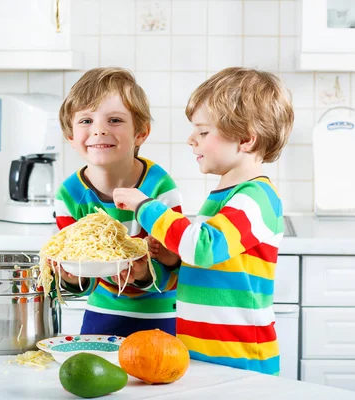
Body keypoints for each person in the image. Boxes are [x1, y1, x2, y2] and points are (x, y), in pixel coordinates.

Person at [112, 67, 294, 375]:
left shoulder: (258, 197)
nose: (191, 140)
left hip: (242, 361)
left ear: (247, 139)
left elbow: (205, 248)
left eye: (203, 131)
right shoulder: (223, 196)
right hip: (203, 354)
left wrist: (144, 205)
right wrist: (171, 259)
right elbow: (210, 263)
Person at [54, 67, 182, 337]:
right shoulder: (69, 195)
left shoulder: (159, 187)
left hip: (160, 314)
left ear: (141, 134)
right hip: (103, 313)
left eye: (114, 120)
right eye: (86, 121)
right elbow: (83, 281)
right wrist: (70, 277)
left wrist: (145, 274)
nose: (99, 130)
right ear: (71, 137)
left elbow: (173, 266)